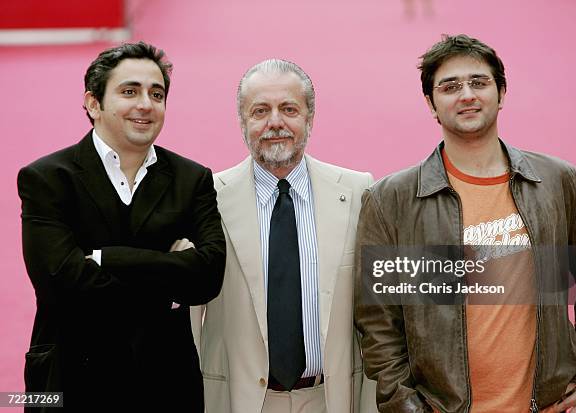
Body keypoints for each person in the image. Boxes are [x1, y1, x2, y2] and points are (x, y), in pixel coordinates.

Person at [354, 34, 576, 413]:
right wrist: (406, 405)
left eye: (479, 82)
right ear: (431, 104)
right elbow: (378, 323)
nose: (467, 95)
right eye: (450, 86)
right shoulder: (390, 199)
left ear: (501, 92)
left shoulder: (557, 181)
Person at [17, 41, 226, 412]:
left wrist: (104, 258)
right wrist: (168, 275)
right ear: (93, 103)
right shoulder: (47, 179)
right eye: (129, 91)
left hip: (167, 385)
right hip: (66, 383)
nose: (145, 104)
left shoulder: (192, 179)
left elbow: (208, 276)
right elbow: (59, 284)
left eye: (156, 93)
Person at [191, 59, 378, 412]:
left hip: (332, 399)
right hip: (239, 401)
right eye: (260, 111)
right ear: (242, 122)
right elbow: (189, 314)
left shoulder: (358, 191)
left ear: (309, 118)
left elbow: (378, 316)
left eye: (288, 109)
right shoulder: (207, 197)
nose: (274, 122)